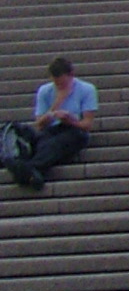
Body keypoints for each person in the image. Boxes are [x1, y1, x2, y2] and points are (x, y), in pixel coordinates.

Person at [6, 57, 98, 191]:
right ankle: (32, 172)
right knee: (44, 141)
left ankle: (29, 169)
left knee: (60, 142)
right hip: (51, 130)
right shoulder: (45, 91)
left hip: (75, 131)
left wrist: (71, 120)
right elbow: (39, 125)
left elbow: (87, 124)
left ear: (71, 75)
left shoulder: (87, 89)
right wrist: (56, 105)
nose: (59, 86)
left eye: (63, 83)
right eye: (56, 83)